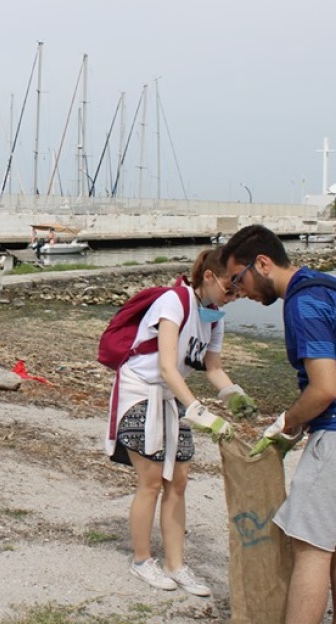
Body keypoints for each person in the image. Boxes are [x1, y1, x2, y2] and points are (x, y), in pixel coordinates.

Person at [220, 224, 336, 624]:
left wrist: (285, 423)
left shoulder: (303, 303)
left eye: (239, 279)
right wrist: (298, 426)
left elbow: (324, 389)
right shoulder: (324, 284)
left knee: (310, 546)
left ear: (261, 263)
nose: (239, 291)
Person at [106, 248, 253, 596]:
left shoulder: (214, 316)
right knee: (152, 480)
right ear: (209, 277)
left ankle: (176, 564)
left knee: (180, 480)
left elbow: (213, 367)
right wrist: (198, 410)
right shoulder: (174, 301)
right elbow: (167, 367)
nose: (232, 297)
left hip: (171, 398)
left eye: (238, 292)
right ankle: (142, 560)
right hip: (140, 392)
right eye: (229, 289)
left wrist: (234, 394)